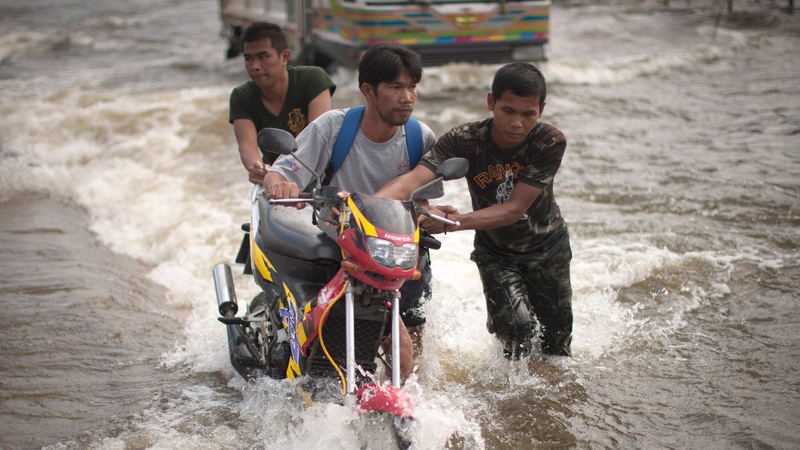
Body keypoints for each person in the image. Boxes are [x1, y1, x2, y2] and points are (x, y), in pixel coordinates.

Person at [264, 43, 445, 380]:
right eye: (395, 87)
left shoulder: (420, 137)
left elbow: (422, 204)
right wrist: (280, 184)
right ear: (367, 91)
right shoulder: (334, 128)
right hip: (341, 250)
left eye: (412, 87)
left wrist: (433, 215)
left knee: (412, 354)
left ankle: (409, 401)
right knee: (324, 341)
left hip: (397, 256)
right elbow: (283, 170)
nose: (407, 97)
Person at [376, 62, 573, 360]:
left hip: (548, 248)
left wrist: (450, 222)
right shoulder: (464, 140)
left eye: (528, 114)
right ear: (491, 102)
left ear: (541, 111)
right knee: (514, 326)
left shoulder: (548, 141)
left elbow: (513, 209)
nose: (517, 123)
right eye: (508, 111)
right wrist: (365, 204)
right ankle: (513, 394)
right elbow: (413, 180)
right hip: (496, 253)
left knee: (556, 347)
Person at [229, 22, 336, 184]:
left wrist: (283, 175)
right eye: (248, 59)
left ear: (285, 57)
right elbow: (247, 147)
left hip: (321, 182)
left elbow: (316, 141)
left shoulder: (313, 79)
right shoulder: (242, 96)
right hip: (276, 184)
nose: (255, 66)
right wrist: (259, 169)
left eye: (263, 57)